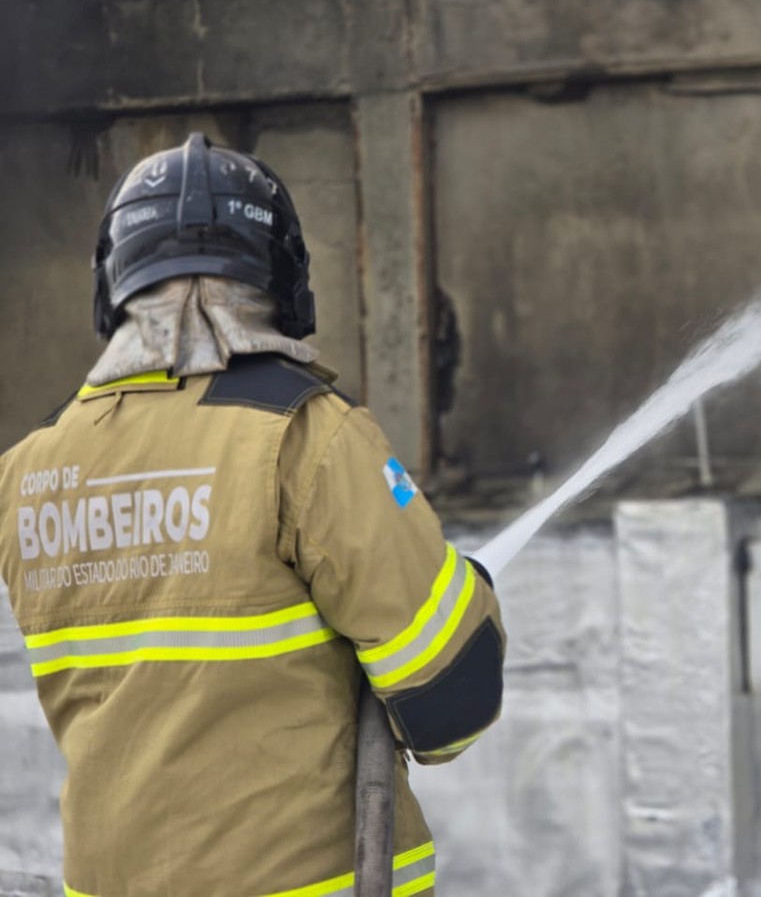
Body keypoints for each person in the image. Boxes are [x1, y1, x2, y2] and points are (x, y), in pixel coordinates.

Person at [0, 133, 504, 896]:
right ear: (285, 279)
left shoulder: (29, 472)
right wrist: (468, 594)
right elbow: (450, 698)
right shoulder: (306, 436)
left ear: (112, 283)